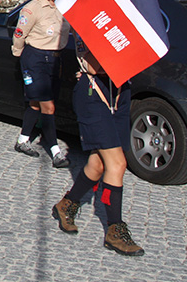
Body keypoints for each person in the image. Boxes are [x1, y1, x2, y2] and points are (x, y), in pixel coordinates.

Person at [51, 37, 144, 256]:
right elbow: (95, 65)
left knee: (99, 164)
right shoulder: (92, 21)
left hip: (121, 92)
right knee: (118, 163)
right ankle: (115, 229)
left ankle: (67, 204)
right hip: (94, 93)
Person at [12, 0, 71, 168]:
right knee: (49, 106)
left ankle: (22, 140)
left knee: (36, 105)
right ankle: (55, 152)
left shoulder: (67, 7)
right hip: (35, 58)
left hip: (55, 59)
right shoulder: (33, 9)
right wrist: (20, 58)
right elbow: (19, 35)